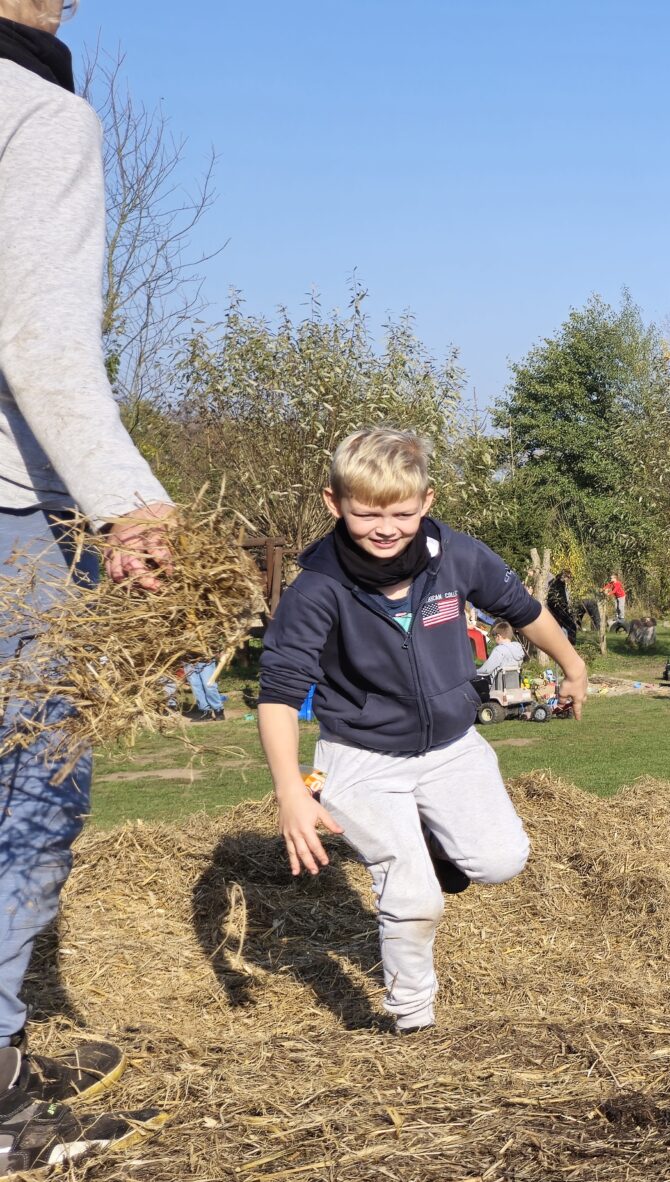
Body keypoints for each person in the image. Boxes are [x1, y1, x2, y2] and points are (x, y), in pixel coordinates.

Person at [0, 0, 183, 1162]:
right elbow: (37, 337)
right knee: (33, 786)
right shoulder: (37, 112)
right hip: (9, 512)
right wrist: (126, 498)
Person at [259, 428, 588, 1035]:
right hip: (360, 756)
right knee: (413, 898)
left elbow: (524, 610)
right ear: (334, 503)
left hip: (452, 746)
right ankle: (413, 1019)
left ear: (426, 501)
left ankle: (435, 845)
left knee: (501, 860)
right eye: (367, 514)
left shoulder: (457, 556)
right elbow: (278, 694)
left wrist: (573, 665)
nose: (385, 528)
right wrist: (290, 792)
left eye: (402, 513)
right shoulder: (317, 588)